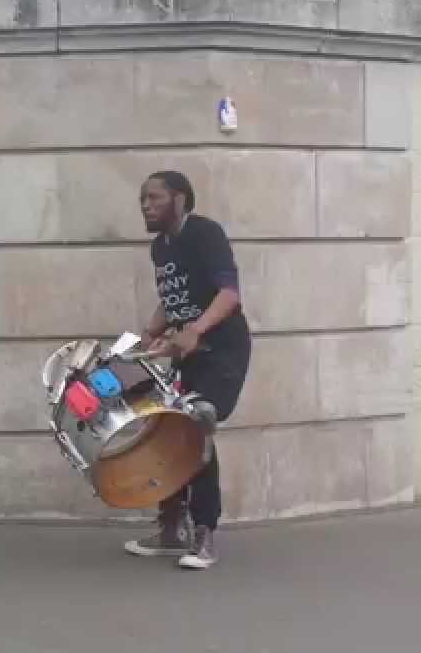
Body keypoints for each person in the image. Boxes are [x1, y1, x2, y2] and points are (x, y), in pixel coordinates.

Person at [126, 169, 251, 571]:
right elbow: (173, 296)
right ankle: (170, 527)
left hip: (224, 351)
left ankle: (205, 533)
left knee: (197, 422)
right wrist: (150, 334)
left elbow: (229, 294)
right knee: (166, 424)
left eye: (154, 198)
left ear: (179, 200)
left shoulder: (204, 233)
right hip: (191, 355)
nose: (146, 205)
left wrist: (195, 330)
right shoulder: (160, 247)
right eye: (143, 199)